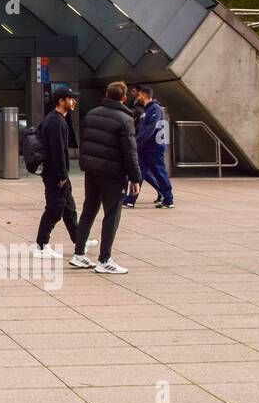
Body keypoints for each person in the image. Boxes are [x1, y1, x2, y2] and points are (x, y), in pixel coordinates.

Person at [71, 82, 142, 276]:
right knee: (112, 214)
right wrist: (135, 178)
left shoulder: (92, 113)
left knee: (89, 210)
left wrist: (85, 164)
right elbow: (130, 152)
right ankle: (104, 259)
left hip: (92, 171)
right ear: (124, 98)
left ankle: (79, 254)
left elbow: (85, 141)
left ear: (106, 94)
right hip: (113, 174)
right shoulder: (125, 119)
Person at [34, 88, 96, 258]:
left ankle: (79, 239)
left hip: (57, 173)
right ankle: (41, 244)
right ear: (61, 101)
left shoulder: (57, 119)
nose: (74, 101)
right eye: (70, 98)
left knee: (69, 208)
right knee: (54, 209)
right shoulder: (56, 122)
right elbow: (57, 151)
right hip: (55, 174)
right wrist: (62, 175)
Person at [126, 86, 174, 210]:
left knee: (159, 172)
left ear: (144, 95)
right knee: (139, 173)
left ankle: (168, 199)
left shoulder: (155, 109)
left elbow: (150, 129)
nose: (138, 97)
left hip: (154, 148)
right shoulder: (146, 110)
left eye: (139, 95)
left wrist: (137, 142)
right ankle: (130, 199)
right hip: (145, 148)